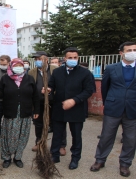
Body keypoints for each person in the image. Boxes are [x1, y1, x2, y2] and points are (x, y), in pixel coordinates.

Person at [90, 42, 136, 177]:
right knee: (106, 136)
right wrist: (108, 103)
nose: (132, 52)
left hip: (133, 109)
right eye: (129, 50)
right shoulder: (111, 68)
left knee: (131, 139)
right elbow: (105, 87)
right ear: (121, 53)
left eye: (135, 50)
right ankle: (100, 160)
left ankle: (125, 164)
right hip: (113, 107)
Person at [45, 47, 94, 170]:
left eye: (75, 58)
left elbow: (89, 91)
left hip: (77, 109)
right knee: (57, 134)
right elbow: (51, 85)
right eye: (70, 58)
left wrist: (74, 100)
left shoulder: (85, 73)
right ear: (65, 59)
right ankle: (54, 155)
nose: (73, 60)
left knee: (76, 135)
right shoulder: (57, 72)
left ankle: (75, 158)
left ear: (78, 58)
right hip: (59, 108)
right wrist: (48, 89)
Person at [0, 58, 40, 169]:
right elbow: (1, 94)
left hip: (25, 113)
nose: (19, 67)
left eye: (21, 65)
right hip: (10, 112)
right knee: (8, 136)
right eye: (16, 65)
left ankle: (18, 157)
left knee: (22, 136)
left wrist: (37, 110)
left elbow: (35, 96)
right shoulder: (5, 78)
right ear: (11, 66)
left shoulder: (29, 79)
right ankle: (6, 158)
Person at [28, 51, 57, 152]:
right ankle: (39, 142)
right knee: (38, 124)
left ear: (46, 60)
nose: (38, 61)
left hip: (53, 102)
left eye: (40, 59)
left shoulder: (55, 70)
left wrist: (50, 90)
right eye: (36, 60)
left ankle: (60, 145)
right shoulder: (32, 72)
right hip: (38, 102)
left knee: (56, 124)